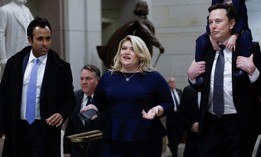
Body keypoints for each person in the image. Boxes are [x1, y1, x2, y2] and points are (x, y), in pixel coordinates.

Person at [187, 3, 261, 157]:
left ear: (232, 23)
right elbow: (201, 88)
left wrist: (253, 71)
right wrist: (192, 77)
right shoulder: (204, 49)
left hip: (239, 124)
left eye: (218, 21)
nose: (213, 26)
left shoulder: (251, 49)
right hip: (210, 123)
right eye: (210, 22)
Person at [81, 35, 174, 157]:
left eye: (132, 49)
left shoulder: (153, 77)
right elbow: (99, 102)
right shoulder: (108, 77)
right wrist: (93, 107)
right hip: (113, 138)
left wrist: (156, 110)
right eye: (124, 48)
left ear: (140, 54)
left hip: (145, 139)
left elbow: (168, 104)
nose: (127, 52)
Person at [0, 17, 76, 157]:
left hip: (44, 130)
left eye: (48, 39)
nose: (45, 43)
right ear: (29, 40)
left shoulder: (61, 68)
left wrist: (61, 113)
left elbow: (70, 99)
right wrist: (2, 125)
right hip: (17, 129)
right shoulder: (14, 64)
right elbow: (2, 96)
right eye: (40, 39)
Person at [195, 0, 252, 84]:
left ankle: (242, 69)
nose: (213, 24)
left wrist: (235, 35)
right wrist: (211, 37)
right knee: (201, 40)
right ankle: (199, 75)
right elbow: (211, 18)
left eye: (218, 21)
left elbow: (242, 20)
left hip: (239, 30)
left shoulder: (239, 2)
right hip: (215, 33)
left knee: (246, 36)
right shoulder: (215, 1)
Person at [97, 0, 164, 69]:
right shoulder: (140, 22)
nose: (148, 9)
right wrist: (159, 45)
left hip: (145, 49)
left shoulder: (143, 21)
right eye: (145, 7)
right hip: (141, 50)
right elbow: (148, 34)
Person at [63, 64, 101, 157]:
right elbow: (69, 128)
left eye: (88, 79)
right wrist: (66, 151)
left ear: (98, 81)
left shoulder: (104, 99)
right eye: (82, 78)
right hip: (77, 151)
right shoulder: (74, 98)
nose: (84, 82)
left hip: (99, 150)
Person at [0, 0, 34, 79]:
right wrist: (3, 57)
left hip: (27, 55)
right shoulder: (5, 10)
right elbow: (0, 35)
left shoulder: (27, 10)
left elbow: (34, 30)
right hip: (12, 56)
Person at [178, 85, 200, 157]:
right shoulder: (188, 90)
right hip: (193, 143)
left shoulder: (218, 90)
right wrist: (191, 125)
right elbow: (181, 115)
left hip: (214, 143)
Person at [166, 77, 183, 157]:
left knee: (180, 134)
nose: (172, 83)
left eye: (173, 82)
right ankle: (174, 153)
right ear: (168, 83)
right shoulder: (166, 92)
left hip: (179, 116)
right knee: (172, 136)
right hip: (170, 116)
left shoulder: (179, 91)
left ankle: (172, 145)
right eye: (170, 82)